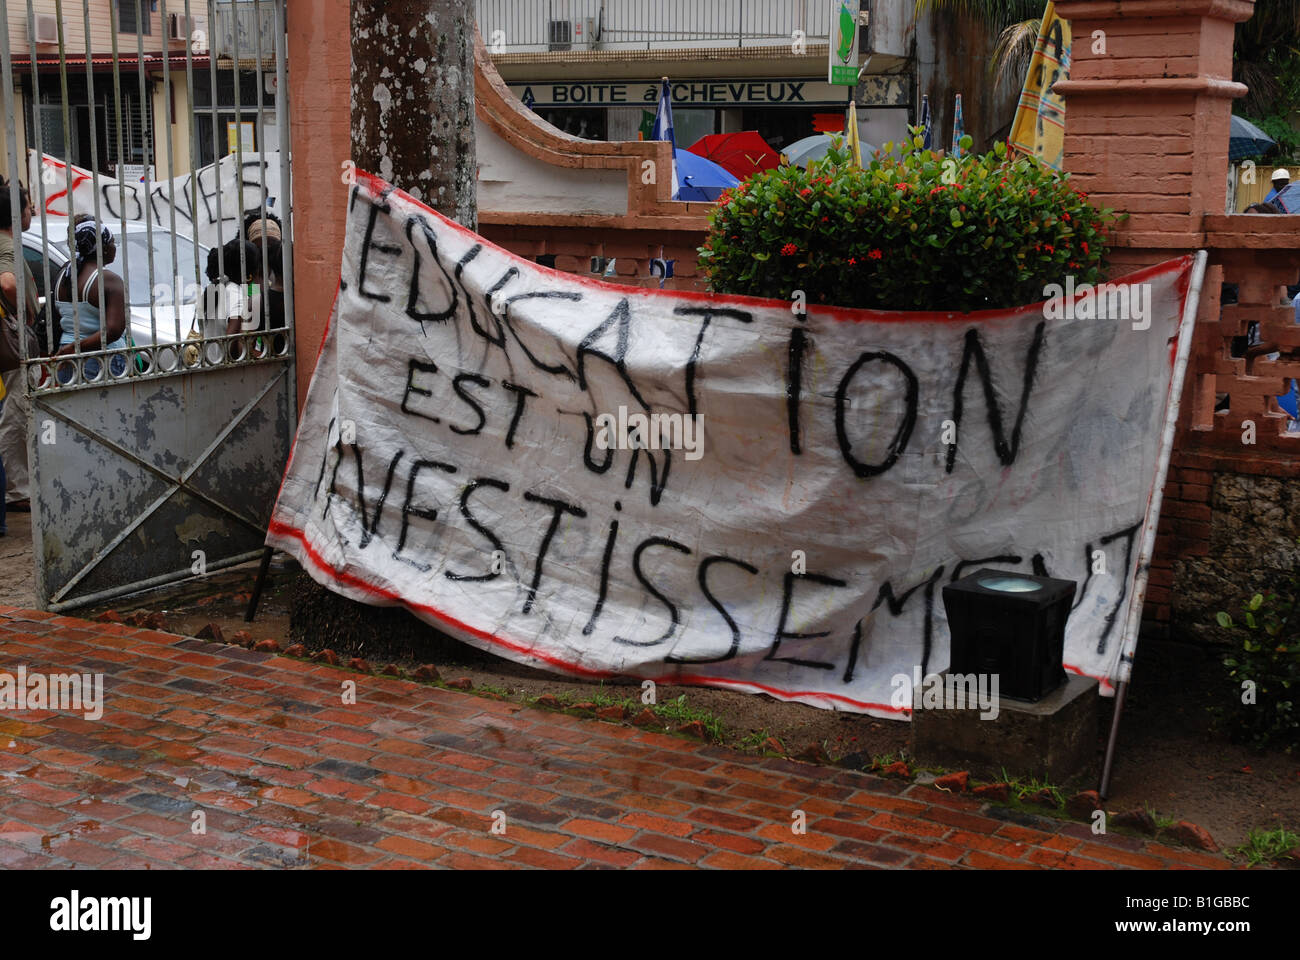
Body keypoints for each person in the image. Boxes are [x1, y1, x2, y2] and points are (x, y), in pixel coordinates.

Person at [52, 215, 128, 383]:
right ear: (103, 248)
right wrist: (74, 348)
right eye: (112, 242)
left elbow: (60, 319)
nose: (114, 247)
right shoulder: (108, 280)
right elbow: (113, 330)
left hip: (66, 358)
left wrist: (70, 348)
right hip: (102, 358)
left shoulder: (63, 277)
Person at [0, 181, 37, 513]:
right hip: (13, 337)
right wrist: (22, 313)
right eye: (28, 205)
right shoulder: (6, 244)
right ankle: (17, 488)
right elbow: (8, 282)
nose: (33, 210)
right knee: (16, 411)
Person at [193, 240, 249, 364]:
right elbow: (230, 342)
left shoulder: (210, 291)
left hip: (206, 365)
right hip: (222, 369)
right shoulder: (234, 292)